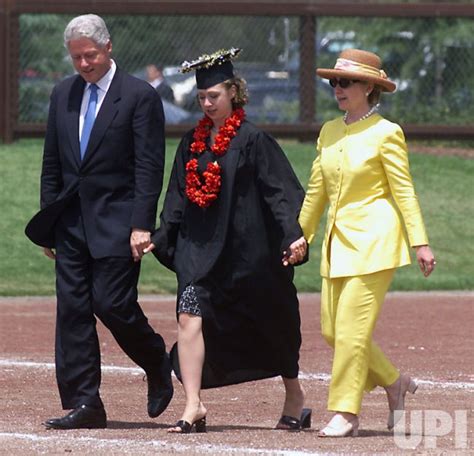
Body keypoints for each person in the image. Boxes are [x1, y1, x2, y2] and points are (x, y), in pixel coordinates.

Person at [144, 48, 310, 434]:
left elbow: (278, 194)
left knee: (273, 322)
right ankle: (193, 405)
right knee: (188, 314)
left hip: (248, 254)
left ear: (234, 92)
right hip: (199, 252)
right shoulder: (192, 143)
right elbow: (178, 196)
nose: (206, 103)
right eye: (201, 97)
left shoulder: (254, 141)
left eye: (213, 96)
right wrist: (162, 235)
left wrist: (293, 235)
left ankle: (294, 396)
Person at [24, 14, 173, 429]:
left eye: (90, 55)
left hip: (119, 221)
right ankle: (85, 402)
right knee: (72, 311)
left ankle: (156, 361)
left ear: (108, 48)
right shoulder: (63, 94)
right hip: (70, 222)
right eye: (77, 58)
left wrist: (142, 224)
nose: (84, 64)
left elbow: (149, 166)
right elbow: (52, 162)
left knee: (112, 304)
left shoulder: (139, 96)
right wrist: (48, 219)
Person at [294, 48, 436, 437]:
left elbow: (404, 191)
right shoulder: (329, 131)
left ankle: (346, 412)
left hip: (375, 244)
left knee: (353, 334)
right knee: (332, 332)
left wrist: (419, 243)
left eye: (347, 81)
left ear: (370, 87)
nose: (338, 88)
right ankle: (395, 383)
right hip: (336, 248)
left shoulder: (386, 132)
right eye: (334, 81)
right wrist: (301, 236)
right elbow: (316, 192)